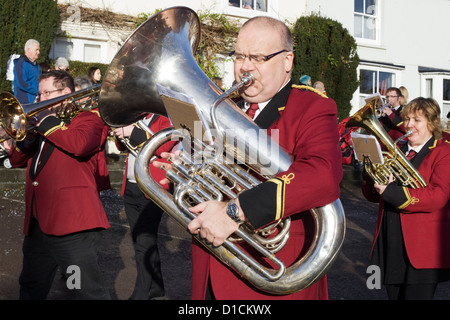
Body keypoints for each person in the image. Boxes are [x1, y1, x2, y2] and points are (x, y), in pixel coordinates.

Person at [155, 16, 342, 300]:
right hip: (210, 266)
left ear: (287, 61)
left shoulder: (312, 106)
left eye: (258, 57)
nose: (245, 66)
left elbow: (323, 174)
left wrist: (235, 211)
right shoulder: (222, 105)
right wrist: (183, 172)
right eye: (240, 55)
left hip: (270, 272)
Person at [8, 70, 111, 299]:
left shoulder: (88, 119)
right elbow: (16, 161)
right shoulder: (41, 124)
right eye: (39, 94)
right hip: (38, 222)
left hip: (72, 225)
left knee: (81, 289)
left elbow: (80, 145)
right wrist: (26, 138)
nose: (39, 100)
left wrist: (46, 122)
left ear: (65, 93)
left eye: (46, 93)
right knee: (31, 284)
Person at [362, 97, 450, 300]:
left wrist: (392, 192)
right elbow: (372, 196)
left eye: (416, 120)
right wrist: (370, 171)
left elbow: (438, 195)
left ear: (431, 122)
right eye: (407, 119)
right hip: (391, 243)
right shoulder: (398, 151)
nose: (409, 125)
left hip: (421, 251)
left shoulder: (443, 151)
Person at [111, 114, 176, 300]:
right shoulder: (135, 117)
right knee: (140, 241)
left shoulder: (165, 118)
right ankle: (155, 288)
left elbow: (163, 147)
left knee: (144, 242)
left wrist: (133, 131)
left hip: (153, 187)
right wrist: (121, 132)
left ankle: (142, 293)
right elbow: (120, 147)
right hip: (132, 185)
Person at [13, 39, 41, 104]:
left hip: (36, 101)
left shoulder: (36, 65)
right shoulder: (21, 63)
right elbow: (22, 83)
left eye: (38, 50)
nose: (39, 52)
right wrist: (37, 90)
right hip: (25, 102)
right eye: (36, 50)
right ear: (28, 50)